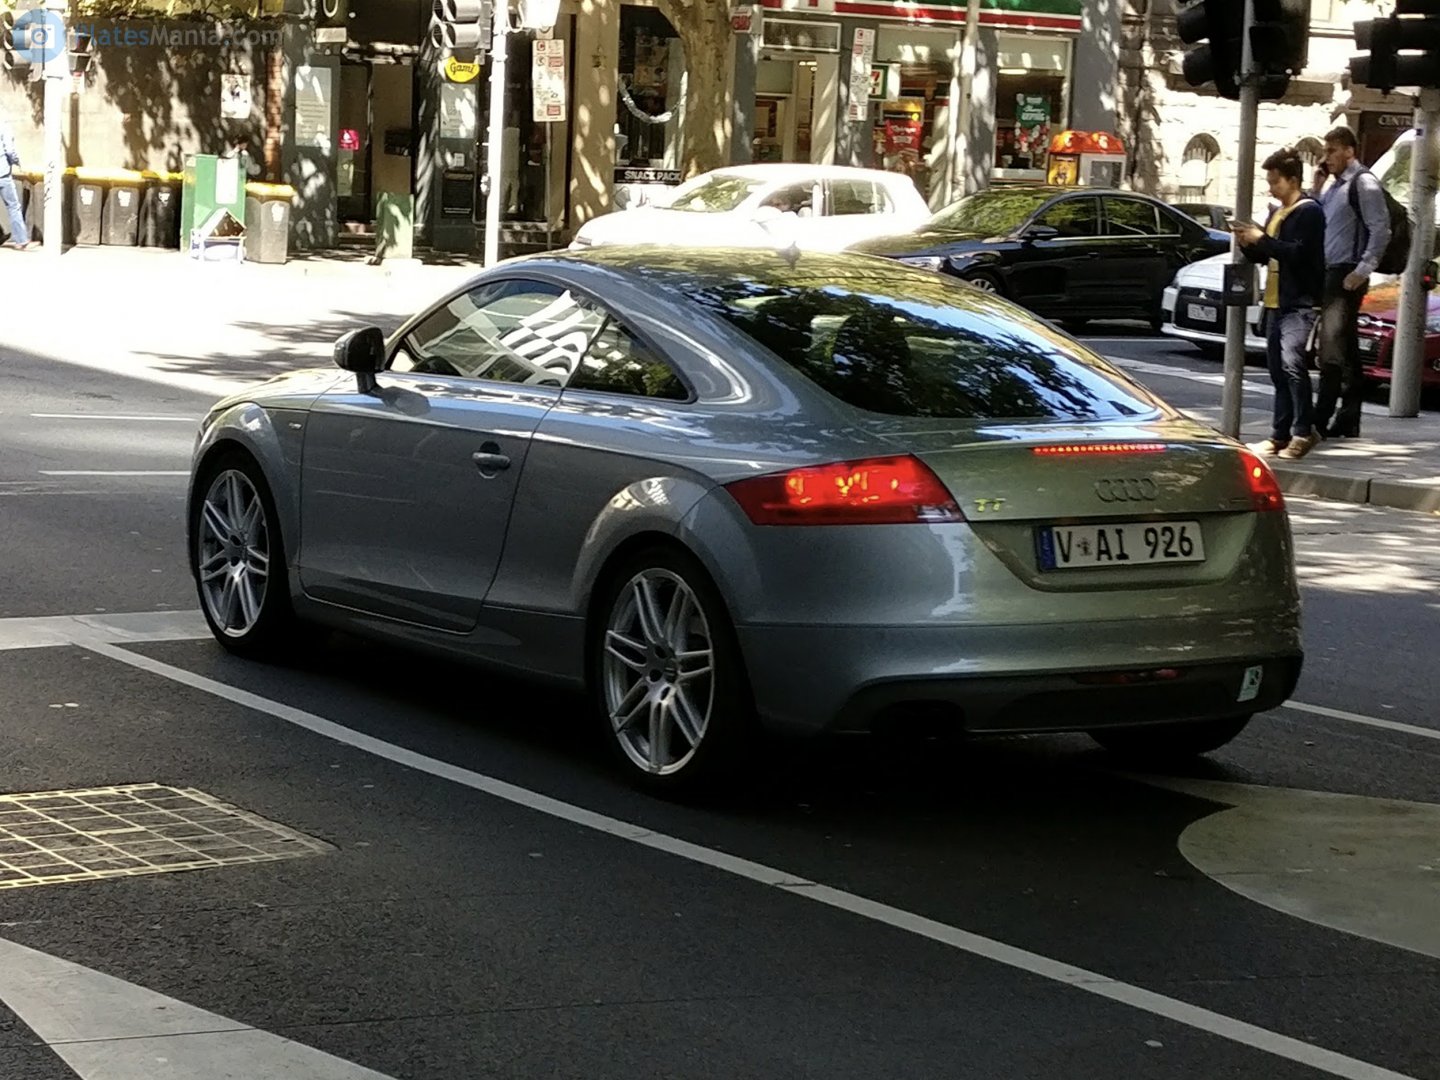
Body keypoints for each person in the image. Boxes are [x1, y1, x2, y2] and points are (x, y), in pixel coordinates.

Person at [1233, 147, 1326, 460]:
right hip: (1275, 300)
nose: (1271, 187)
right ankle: (1280, 434)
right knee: (1277, 369)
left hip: (1298, 301)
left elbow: (1296, 253)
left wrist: (1260, 239)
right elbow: (1268, 253)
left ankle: (1303, 431)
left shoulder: (1309, 212)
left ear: (1293, 180)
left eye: (1275, 181)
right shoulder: (1276, 212)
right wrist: (1248, 244)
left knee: (1293, 365)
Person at [1310, 125, 1389, 438]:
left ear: (1349, 151)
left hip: (1347, 273)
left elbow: (1380, 229)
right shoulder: (1334, 186)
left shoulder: (1364, 183)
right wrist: (1316, 189)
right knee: (1344, 347)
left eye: (1332, 151)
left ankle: (1323, 417)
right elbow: (1321, 221)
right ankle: (1348, 417)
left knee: (1331, 348)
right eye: (1325, 151)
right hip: (1330, 271)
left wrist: (1362, 271)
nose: (1326, 158)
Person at [0, 112, 32, 250]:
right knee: (13, 206)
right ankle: (22, 240)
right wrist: (18, 163)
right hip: (2, 173)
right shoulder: (4, 126)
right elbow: (10, 151)